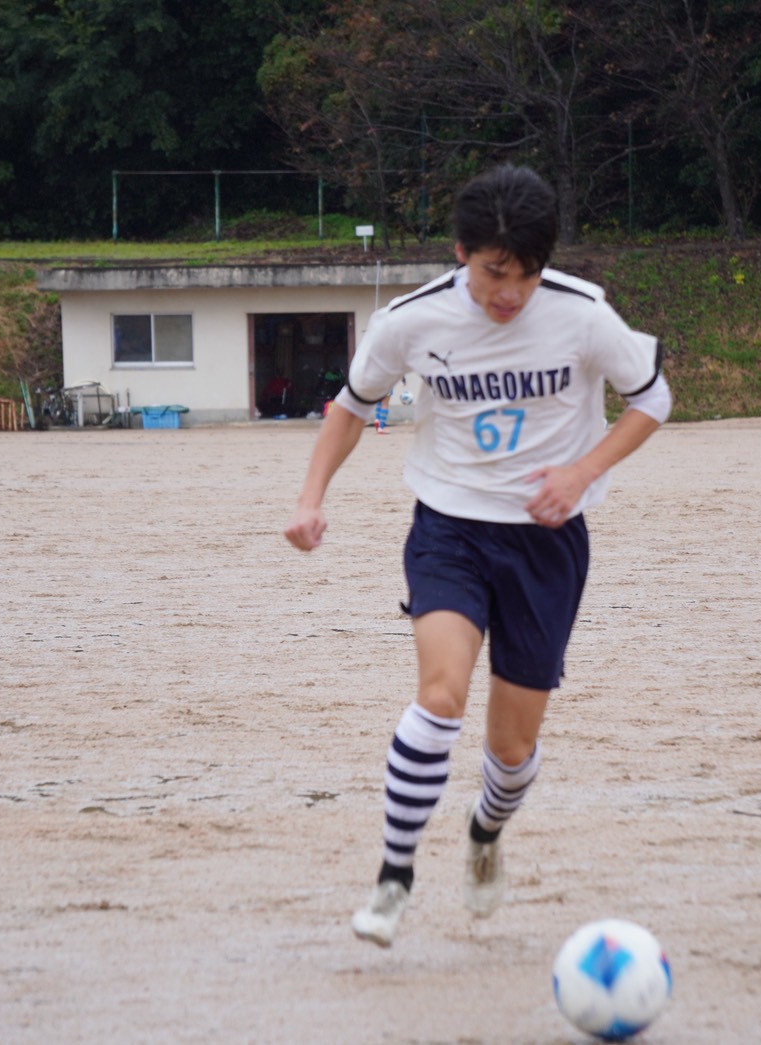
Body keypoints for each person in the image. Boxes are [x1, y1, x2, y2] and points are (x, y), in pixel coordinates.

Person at [283, 164, 672, 947]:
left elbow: (652, 398)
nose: (510, 293)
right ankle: (393, 877)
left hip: (547, 542)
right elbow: (351, 406)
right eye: (495, 272)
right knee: (440, 693)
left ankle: (485, 831)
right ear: (462, 252)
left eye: (526, 274)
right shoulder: (410, 320)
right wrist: (310, 497)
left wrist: (581, 471)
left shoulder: (583, 313)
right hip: (449, 528)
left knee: (511, 749)